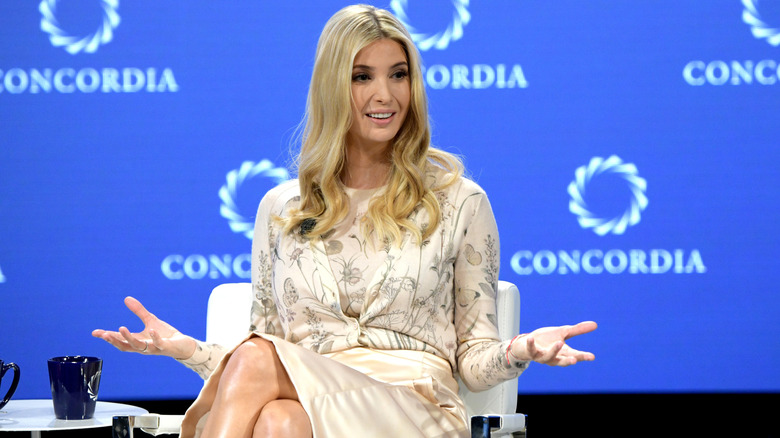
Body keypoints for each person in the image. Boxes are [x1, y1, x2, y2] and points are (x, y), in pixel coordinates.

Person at [93, 4, 597, 438]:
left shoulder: (459, 201)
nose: (386, 94)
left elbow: (474, 359)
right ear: (334, 86)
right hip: (313, 402)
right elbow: (269, 347)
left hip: (413, 408)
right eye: (363, 76)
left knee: (257, 369)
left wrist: (523, 349)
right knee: (277, 423)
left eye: (398, 74)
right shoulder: (281, 209)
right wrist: (186, 350)